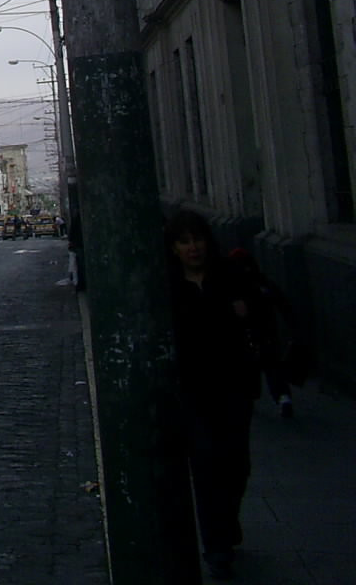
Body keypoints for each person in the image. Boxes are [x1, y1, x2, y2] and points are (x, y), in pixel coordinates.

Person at [166, 211, 258, 581]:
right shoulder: (168, 287)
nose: (193, 247)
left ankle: (227, 522)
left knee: (236, 465)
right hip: (191, 391)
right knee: (205, 464)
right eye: (185, 241)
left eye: (197, 239)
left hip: (234, 386)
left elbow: (260, 319)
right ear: (173, 248)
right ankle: (216, 545)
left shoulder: (230, 278)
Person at [226, 248, 297, 419]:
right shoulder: (263, 283)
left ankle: (250, 400)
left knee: (248, 370)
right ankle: (283, 398)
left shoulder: (233, 287)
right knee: (272, 368)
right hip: (267, 333)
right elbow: (283, 304)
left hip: (246, 336)